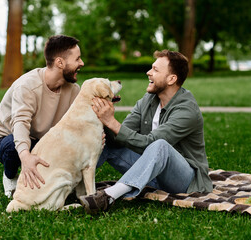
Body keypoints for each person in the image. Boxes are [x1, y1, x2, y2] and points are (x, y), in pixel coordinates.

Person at [80, 50, 213, 214]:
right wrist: (103, 122)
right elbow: (122, 134)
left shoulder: (187, 111)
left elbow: (150, 143)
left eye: (156, 70)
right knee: (106, 140)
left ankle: (107, 197)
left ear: (172, 79)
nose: (148, 72)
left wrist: (111, 121)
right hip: (149, 172)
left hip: (183, 180)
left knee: (160, 146)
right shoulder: (149, 99)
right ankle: (70, 186)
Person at [0, 35, 84, 198]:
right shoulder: (27, 86)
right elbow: (20, 123)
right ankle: (10, 175)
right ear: (60, 63)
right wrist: (26, 156)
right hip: (10, 138)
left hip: (45, 139)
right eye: (77, 59)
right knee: (12, 148)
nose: (81, 63)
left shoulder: (73, 90)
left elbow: (77, 123)